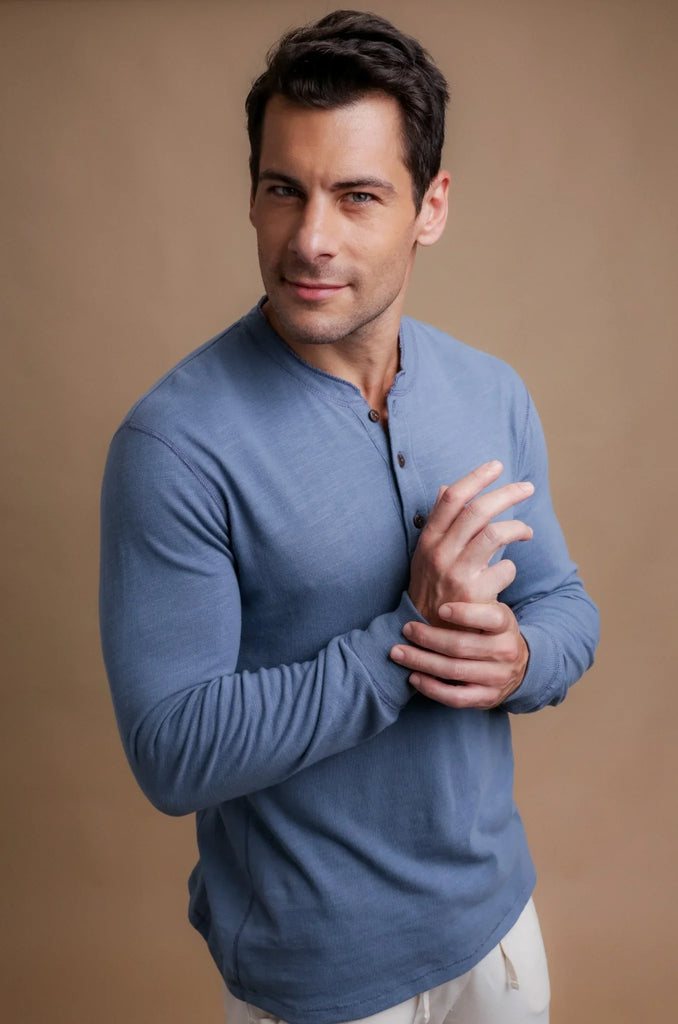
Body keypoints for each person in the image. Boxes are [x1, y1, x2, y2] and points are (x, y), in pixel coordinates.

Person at [99, 10, 599, 1024]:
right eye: (283, 189)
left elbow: (565, 606)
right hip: (317, 974)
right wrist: (409, 638)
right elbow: (174, 750)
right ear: (253, 195)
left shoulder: (490, 391)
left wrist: (516, 659)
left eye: (357, 195)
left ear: (430, 207)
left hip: (498, 931)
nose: (310, 239)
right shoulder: (174, 443)